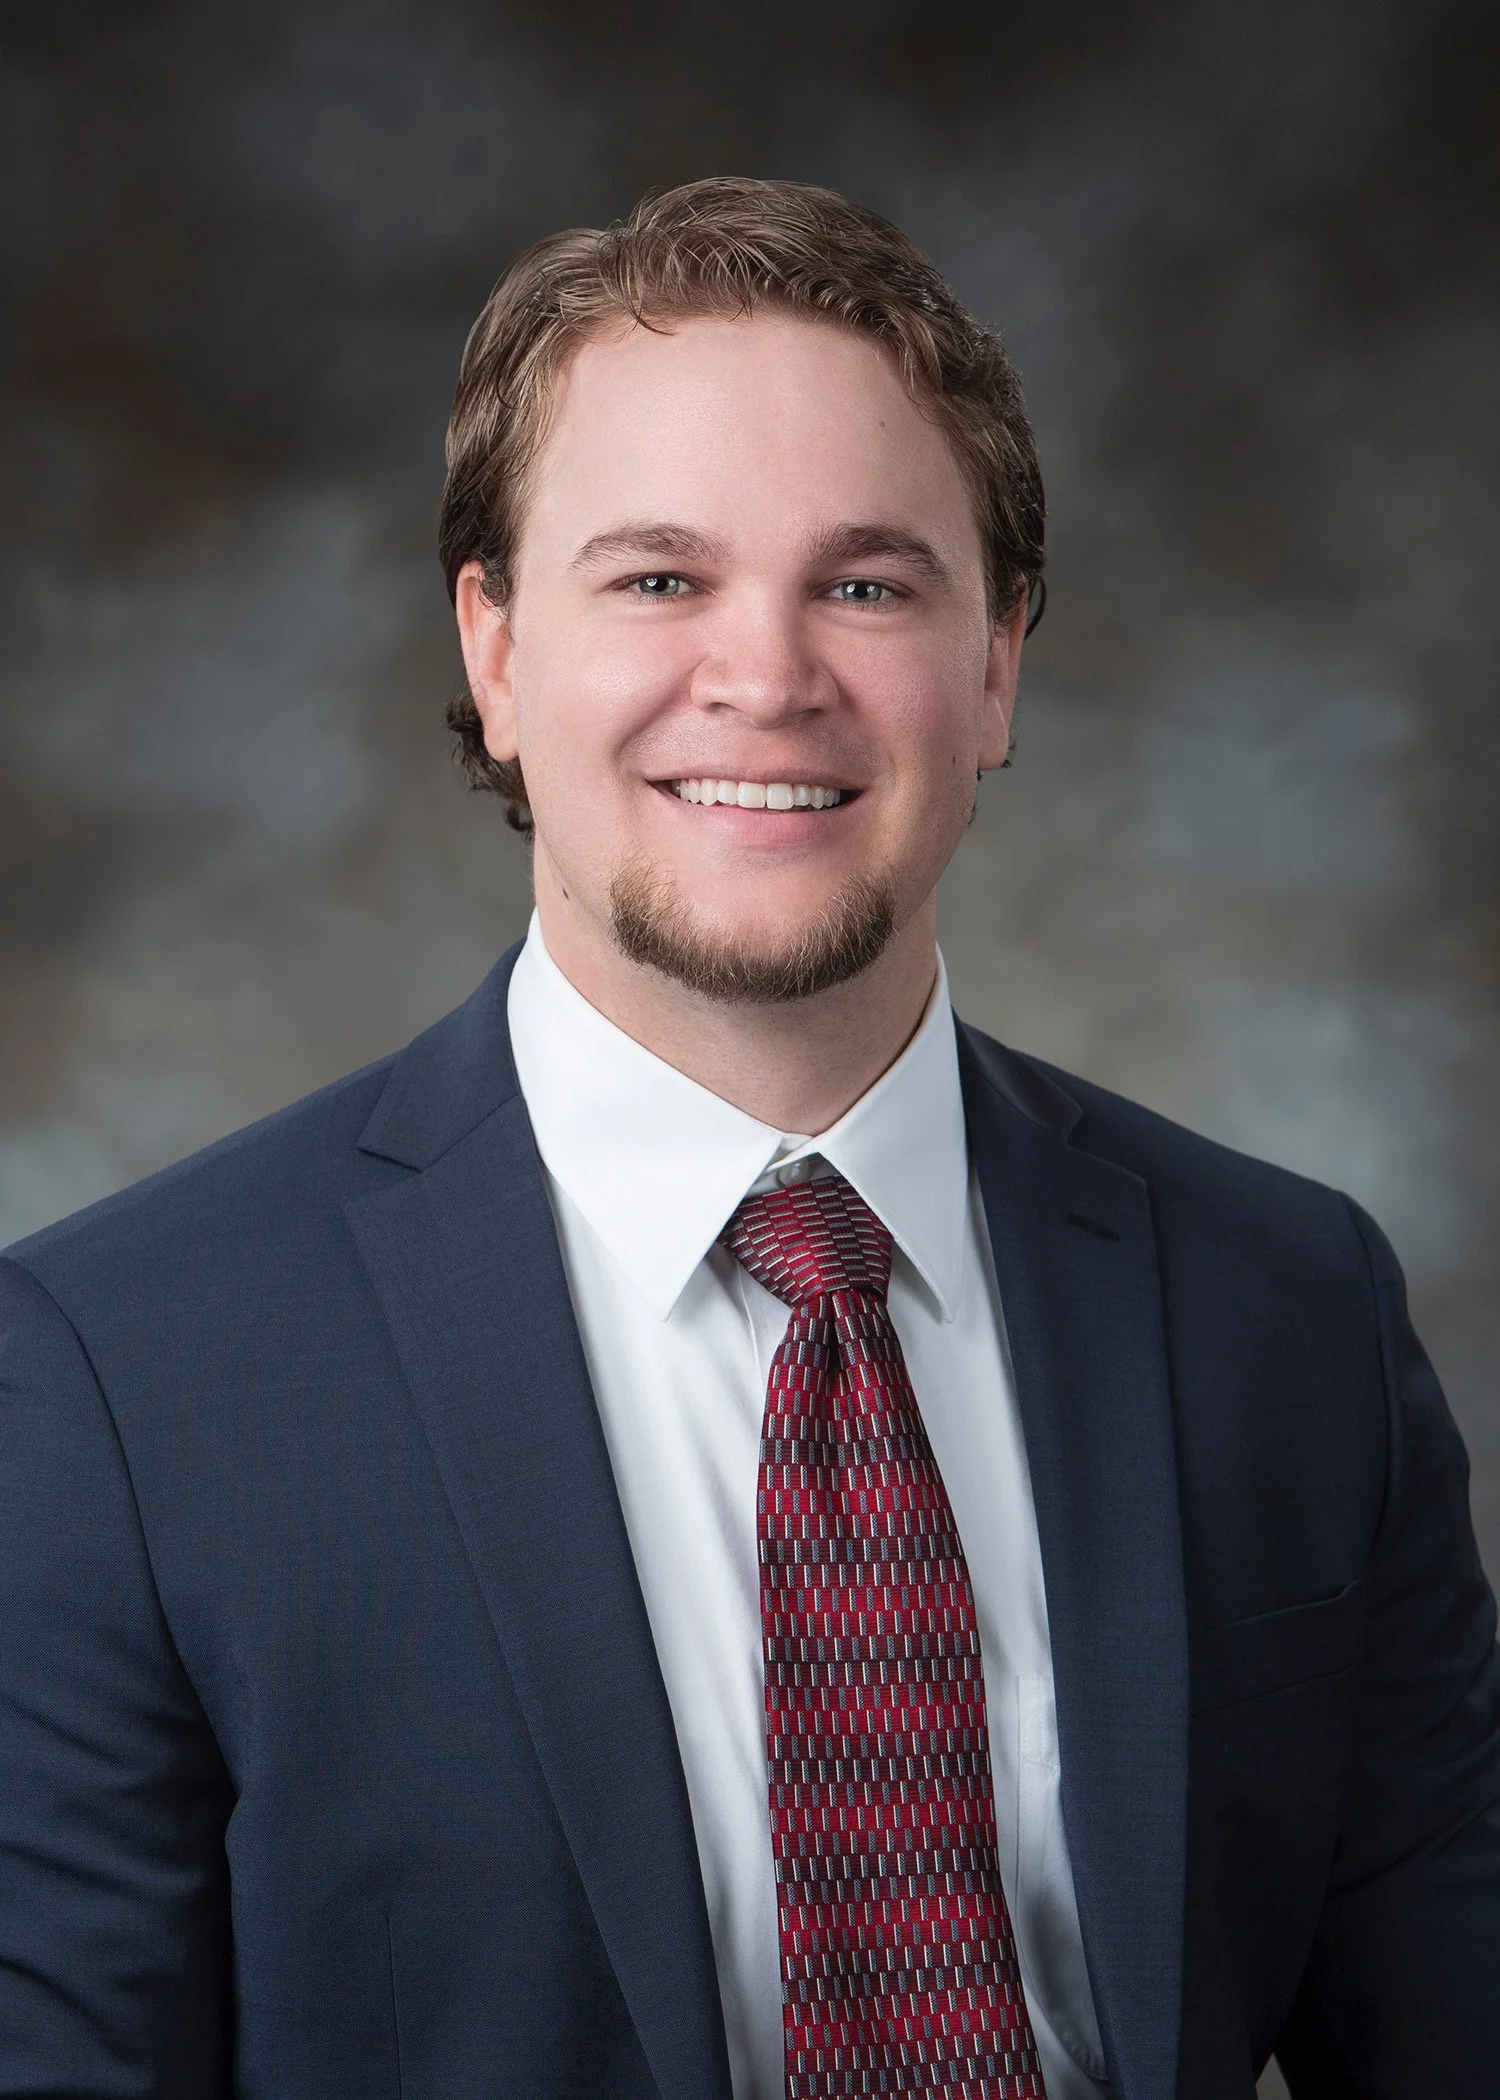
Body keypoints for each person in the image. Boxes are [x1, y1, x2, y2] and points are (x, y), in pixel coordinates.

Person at [0, 177, 1495, 2100]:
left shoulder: (1291, 1309)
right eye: (656, 578)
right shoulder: (121, 1377)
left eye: (866, 582)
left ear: (998, 664)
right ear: (498, 654)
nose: (768, 674)